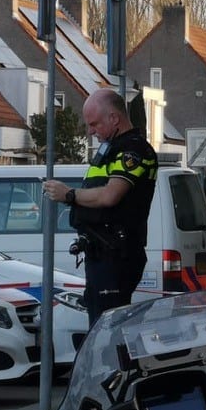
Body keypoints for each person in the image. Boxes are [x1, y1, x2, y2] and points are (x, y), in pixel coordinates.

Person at [42, 89, 157, 326]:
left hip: (117, 254)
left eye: (94, 124)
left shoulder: (132, 150)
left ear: (114, 119)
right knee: (100, 323)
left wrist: (69, 195)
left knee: (108, 329)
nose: (91, 131)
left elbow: (110, 195)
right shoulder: (112, 149)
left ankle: (114, 365)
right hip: (101, 252)